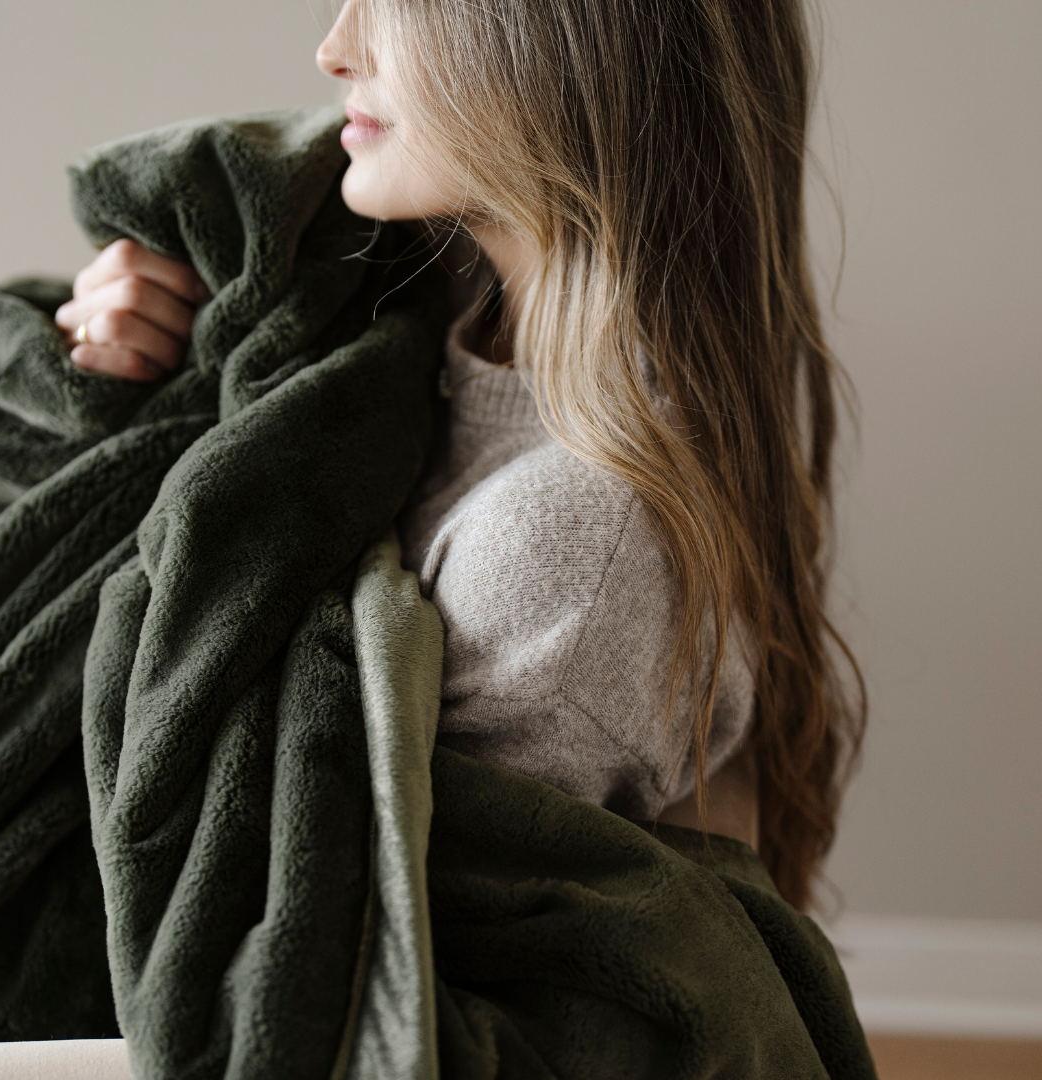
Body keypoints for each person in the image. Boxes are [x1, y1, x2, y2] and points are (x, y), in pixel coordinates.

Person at [53, 0, 863, 912]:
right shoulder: (408, 314)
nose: (333, 49)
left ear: (572, 42)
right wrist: (148, 369)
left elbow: (343, 946)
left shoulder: (563, 550)